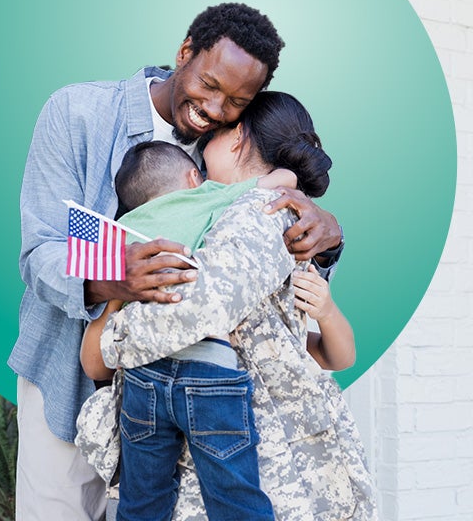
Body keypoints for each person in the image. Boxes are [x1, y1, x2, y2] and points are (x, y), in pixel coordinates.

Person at [13, 3, 346, 521]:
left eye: (236, 101)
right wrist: (110, 279)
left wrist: (324, 239)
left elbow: (263, 272)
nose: (213, 108)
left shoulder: (225, 154)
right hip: (71, 376)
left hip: (180, 405)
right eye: (208, 85)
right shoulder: (76, 113)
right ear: (184, 53)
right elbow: (41, 253)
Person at [78, 92, 376, 521]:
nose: (198, 155)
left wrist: (114, 333)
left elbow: (202, 309)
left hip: (241, 446)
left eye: (209, 139)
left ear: (237, 136)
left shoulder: (261, 211)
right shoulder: (218, 217)